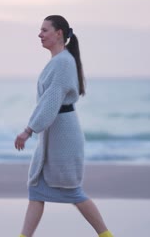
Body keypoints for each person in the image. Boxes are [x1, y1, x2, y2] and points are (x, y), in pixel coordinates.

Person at [14, 15, 114, 237]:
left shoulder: (63, 62)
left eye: (44, 30)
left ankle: (106, 235)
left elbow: (51, 101)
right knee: (36, 190)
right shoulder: (60, 60)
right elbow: (48, 102)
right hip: (55, 135)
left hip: (63, 138)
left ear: (59, 33)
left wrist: (29, 130)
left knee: (74, 193)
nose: (40, 34)